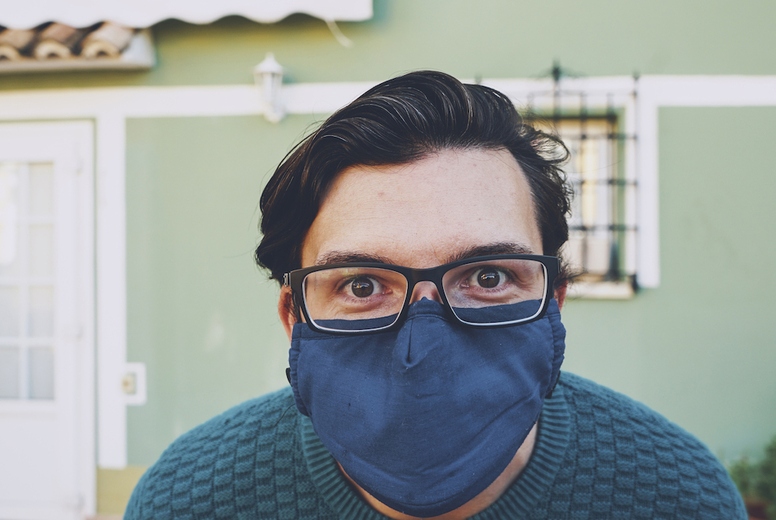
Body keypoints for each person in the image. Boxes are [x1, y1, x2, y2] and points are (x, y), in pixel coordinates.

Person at [125, 71, 746, 519]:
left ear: (554, 301)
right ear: (294, 319)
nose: (422, 349)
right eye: (362, 284)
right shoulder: (188, 501)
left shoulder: (679, 497)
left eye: (488, 276)